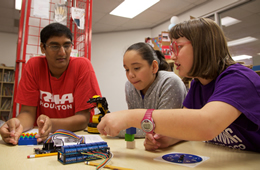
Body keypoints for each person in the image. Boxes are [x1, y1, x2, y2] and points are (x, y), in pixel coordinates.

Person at [97, 18, 260, 153]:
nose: (172, 55)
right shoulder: (198, 83)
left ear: (202, 46)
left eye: (178, 47)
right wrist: (167, 138)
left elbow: (207, 125)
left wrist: (129, 117)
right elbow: (188, 126)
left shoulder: (239, 79)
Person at [0, 23, 101, 145]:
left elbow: (83, 119)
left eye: (67, 45)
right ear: (43, 48)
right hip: (43, 138)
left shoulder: (82, 66)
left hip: (77, 138)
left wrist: (51, 124)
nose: (62, 52)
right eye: (55, 46)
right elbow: (27, 113)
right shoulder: (33, 66)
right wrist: (16, 125)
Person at [117, 42, 187, 150]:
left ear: (154, 67)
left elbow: (164, 128)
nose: (131, 75)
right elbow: (135, 123)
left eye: (136, 68)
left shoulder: (170, 82)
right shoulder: (129, 86)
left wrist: (118, 126)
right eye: (127, 70)